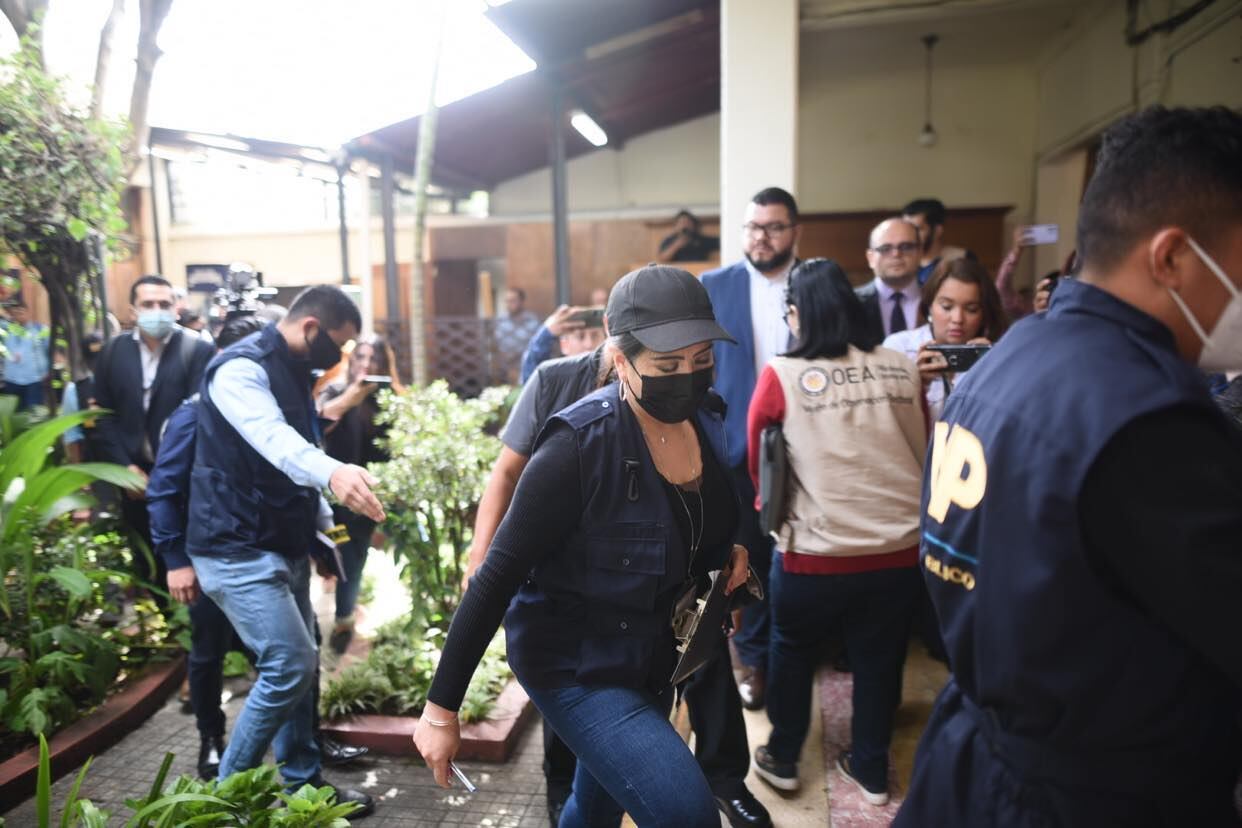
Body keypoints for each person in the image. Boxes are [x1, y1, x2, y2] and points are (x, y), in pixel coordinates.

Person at [896, 106, 1242, 826]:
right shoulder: (1146, 414)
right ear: (1173, 257)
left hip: (978, 752)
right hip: (1089, 790)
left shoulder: (1012, 356)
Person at [416, 265, 750, 828]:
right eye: (667, 367)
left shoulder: (706, 416)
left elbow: (712, 510)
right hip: (578, 665)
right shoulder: (577, 446)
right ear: (621, 361)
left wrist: (730, 552)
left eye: (701, 361)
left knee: (596, 806)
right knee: (687, 812)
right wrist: (440, 711)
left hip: (655, 651)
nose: (688, 379)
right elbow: (497, 577)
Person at [185, 286, 382, 815]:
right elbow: (273, 439)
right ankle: (224, 801)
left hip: (284, 542)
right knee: (289, 663)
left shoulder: (295, 368)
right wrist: (334, 474)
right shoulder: (239, 370)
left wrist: (322, 533)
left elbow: (305, 443)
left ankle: (302, 787)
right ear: (312, 329)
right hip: (235, 547)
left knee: (304, 662)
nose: (340, 357)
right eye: (339, 345)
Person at [747, 259, 925, 805]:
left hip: (814, 554)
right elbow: (924, 442)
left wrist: (771, 513)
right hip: (898, 552)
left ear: (796, 314)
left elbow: (760, 462)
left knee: (792, 648)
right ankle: (870, 770)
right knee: (880, 657)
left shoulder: (783, 374)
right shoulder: (902, 367)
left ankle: (783, 756)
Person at [701, 186, 801, 711]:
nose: (762, 237)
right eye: (754, 227)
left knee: (802, 553)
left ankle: (801, 653)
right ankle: (756, 662)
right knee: (749, 559)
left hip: (808, 443)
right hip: (738, 446)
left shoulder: (814, 282)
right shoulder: (714, 286)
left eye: (774, 227)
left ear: (794, 231)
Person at [93, 275, 214, 605]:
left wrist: (163, 477)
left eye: (164, 304)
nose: (157, 310)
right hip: (134, 477)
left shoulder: (197, 350)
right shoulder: (113, 352)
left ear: (176, 309)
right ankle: (169, 621)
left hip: (183, 478)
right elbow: (102, 416)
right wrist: (124, 468)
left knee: (191, 561)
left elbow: (200, 417)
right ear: (133, 311)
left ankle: (197, 626)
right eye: (148, 304)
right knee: (148, 559)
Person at [316, 335, 403, 654]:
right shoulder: (336, 391)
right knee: (336, 556)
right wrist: (350, 398)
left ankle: (343, 619)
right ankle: (339, 604)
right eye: (361, 358)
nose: (367, 365)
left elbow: (394, 450)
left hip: (366, 502)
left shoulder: (387, 399)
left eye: (373, 359)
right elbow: (316, 426)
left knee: (353, 560)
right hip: (331, 502)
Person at [884, 257, 1009, 421]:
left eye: (971, 309)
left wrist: (995, 375)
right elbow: (886, 421)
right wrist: (917, 385)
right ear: (929, 306)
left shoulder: (997, 356)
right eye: (947, 307)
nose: (957, 319)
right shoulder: (898, 347)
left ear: (984, 313)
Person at [856, 218, 924, 365]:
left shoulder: (936, 299)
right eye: (885, 248)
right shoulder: (851, 303)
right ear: (870, 257)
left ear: (920, 253)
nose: (896, 254)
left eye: (906, 247)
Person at [518, 305, 606, 384]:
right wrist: (546, 334)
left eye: (595, 336)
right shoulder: (558, 383)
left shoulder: (611, 377)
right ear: (565, 345)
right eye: (580, 337)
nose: (589, 344)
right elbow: (532, 383)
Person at [902, 198, 973, 284]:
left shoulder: (961, 257)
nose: (911, 234)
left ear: (937, 230)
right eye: (908, 229)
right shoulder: (899, 259)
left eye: (918, 229)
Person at [0, 297, 49, 410]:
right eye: (15, 313)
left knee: (33, 413)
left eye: (21, 312)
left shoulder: (39, 329)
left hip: (34, 380)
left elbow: (50, 351)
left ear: (27, 312)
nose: (18, 316)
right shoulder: (6, 330)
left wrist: (46, 372)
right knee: (14, 414)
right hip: (12, 379)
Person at [494, 287, 542, 384]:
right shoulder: (500, 320)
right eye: (507, 301)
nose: (509, 304)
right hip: (506, 367)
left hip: (527, 364)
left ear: (521, 301)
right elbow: (496, 343)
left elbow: (536, 343)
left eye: (513, 301)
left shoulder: (532, 320)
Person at [656, 210, 721, 263]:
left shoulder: (701, 239)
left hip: (699, 270)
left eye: (688, 222)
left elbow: (721, 243)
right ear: (676, 226)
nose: (685, 225)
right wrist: (676, 245)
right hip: (677, 272)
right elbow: (662, 259)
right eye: (682, 223)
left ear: (693, 225)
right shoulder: (670, 240)